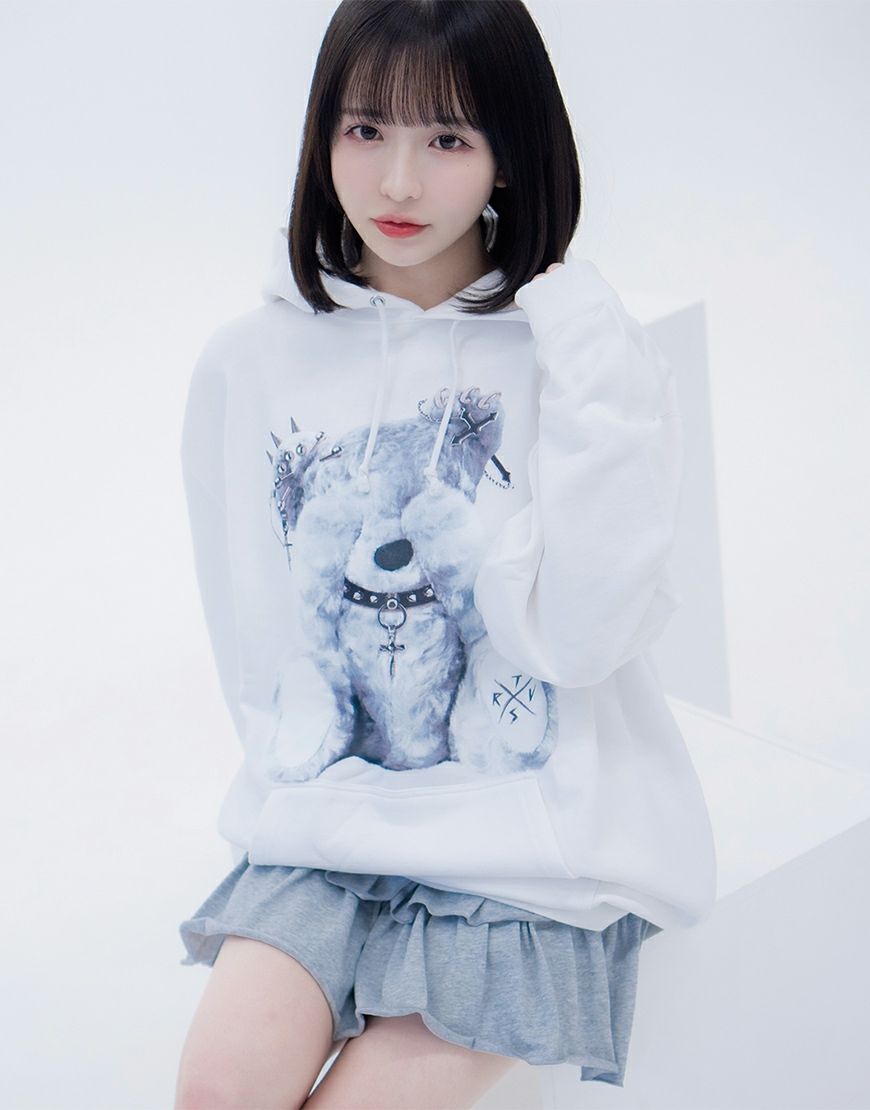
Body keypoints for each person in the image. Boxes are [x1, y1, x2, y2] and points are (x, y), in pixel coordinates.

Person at [173, 1, 717, 1107]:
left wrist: (588, 353)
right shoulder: (249, 360)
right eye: (366, 129)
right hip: (327, 833)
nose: (399, 183)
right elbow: (253, 626)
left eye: (449, 139)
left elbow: (587, 635)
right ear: (322, 134)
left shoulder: (573, 358)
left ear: (510, 153)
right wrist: (301, 776)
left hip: (532, 854)